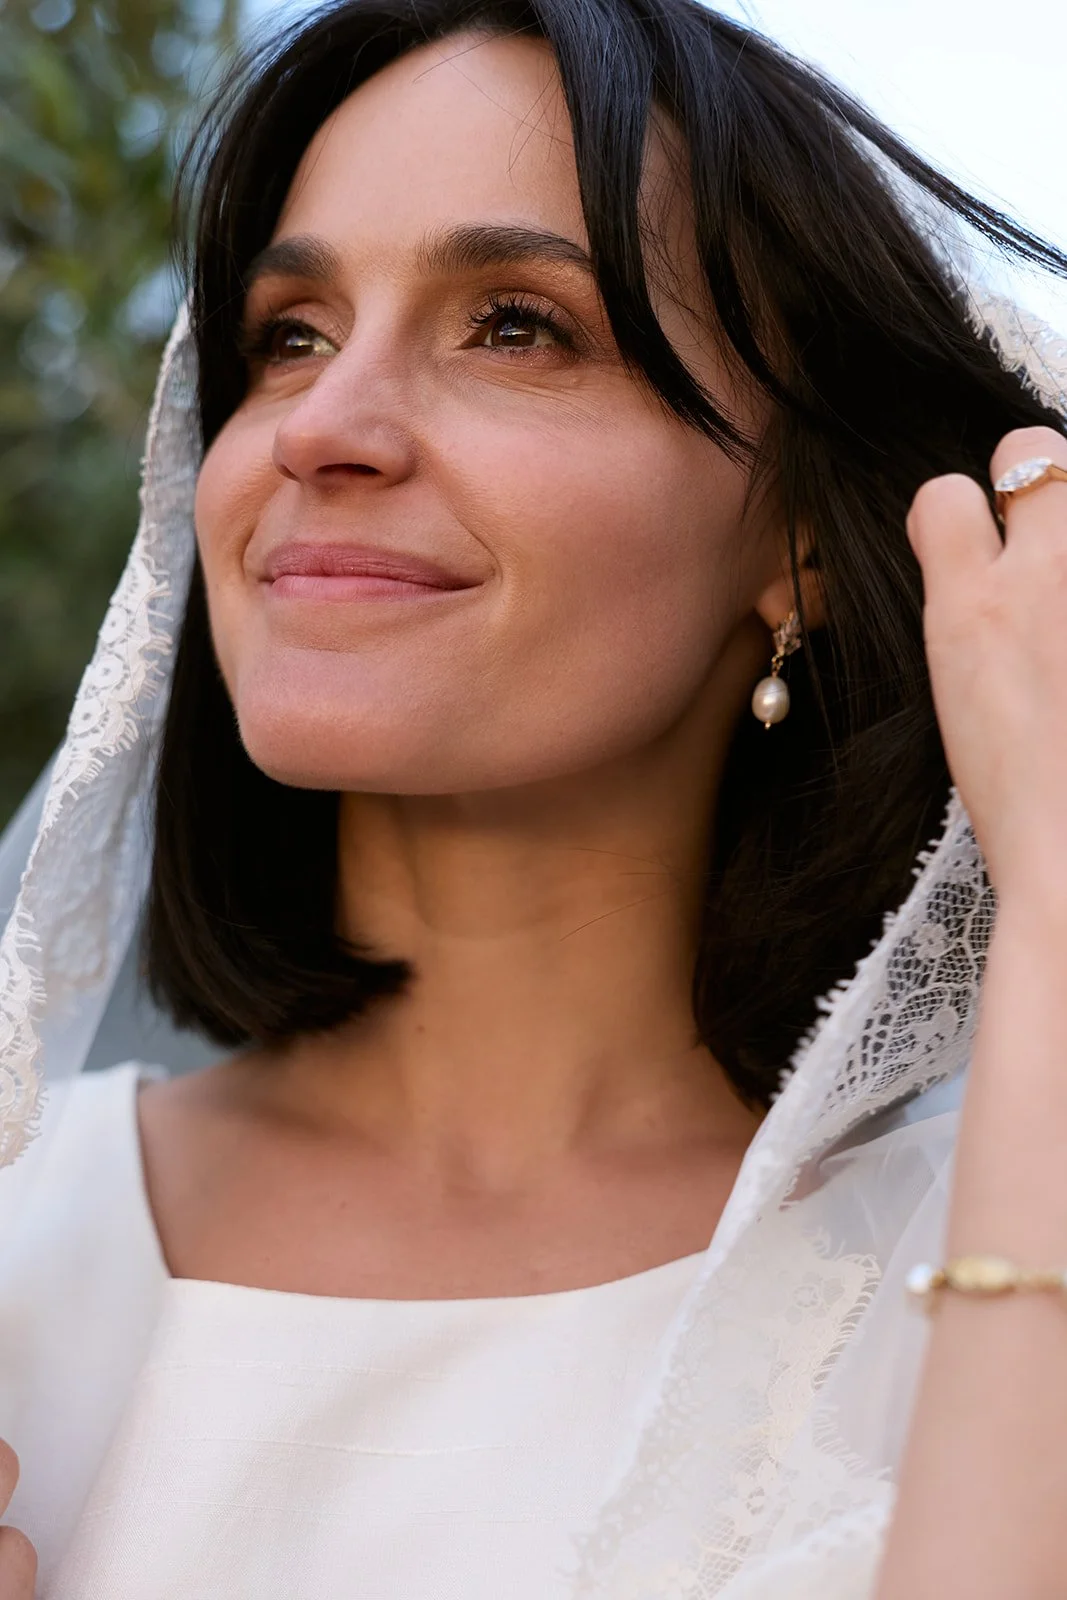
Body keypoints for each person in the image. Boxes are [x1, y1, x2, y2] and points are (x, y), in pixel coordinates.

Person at [0, 0, 1065, 1593]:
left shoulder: (987, 1250)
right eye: (287, 334)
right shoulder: (19, 1223)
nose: (322, 431)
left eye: (514, 323)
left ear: (795, 545)